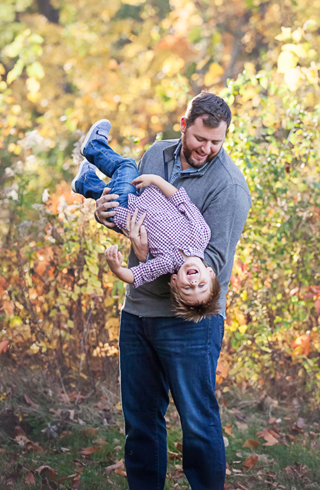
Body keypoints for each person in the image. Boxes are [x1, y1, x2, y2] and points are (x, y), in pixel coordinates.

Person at [89, 92, 251, 490]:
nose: (207, 149)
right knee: (141, 421)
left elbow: (210, 262)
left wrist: (149, 261)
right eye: (200, 138)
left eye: (217, 142)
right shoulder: (156, 154)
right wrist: (105, 212)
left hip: (189, 322)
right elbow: (135, 213)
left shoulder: (228, 186)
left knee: (198, 423)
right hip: (139, 311)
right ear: (184, 125)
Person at [72, 120, 221, 316]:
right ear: (210, 274)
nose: (193, 283)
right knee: (112, 186)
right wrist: (157, 181)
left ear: (175, 282)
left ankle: (93, 148)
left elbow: (136, 275)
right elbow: (180, 200)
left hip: (124, 210)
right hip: (143, 194)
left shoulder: (166, 263)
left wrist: (117, 269)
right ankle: (84, 181)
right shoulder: (202, 234)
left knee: (126, 165)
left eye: (188, 288)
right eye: (201, 285)